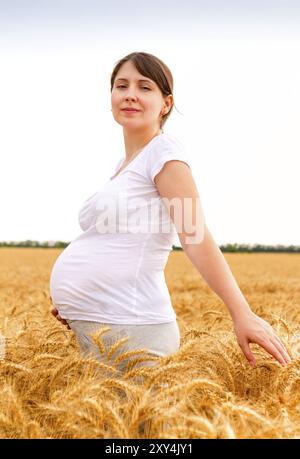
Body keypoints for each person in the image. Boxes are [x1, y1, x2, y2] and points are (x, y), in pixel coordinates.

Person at [50, 51, 292, 375]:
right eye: (121, 86)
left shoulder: (164, 153)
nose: (130, 94)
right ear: (111, 97)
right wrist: (79, 300)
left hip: (133, 331)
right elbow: (111, 244)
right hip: (102, 325)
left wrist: (242, 312)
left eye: (144, 87)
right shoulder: (122, 167)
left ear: (165, 103)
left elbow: (194, 235)